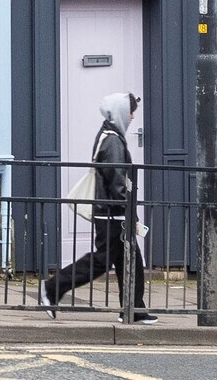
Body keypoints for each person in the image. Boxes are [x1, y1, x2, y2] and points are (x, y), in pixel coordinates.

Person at [41, 92, 156, 323]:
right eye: (130, 111)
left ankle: (134, 310)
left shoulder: (111, 135)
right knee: (102, 261)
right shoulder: (112, 140)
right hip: (112, 213)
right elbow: (116, 179)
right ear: (121, 112)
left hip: (113, 211)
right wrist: (129, 211)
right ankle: (53, 287)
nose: (133, 116)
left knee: (130, 260)